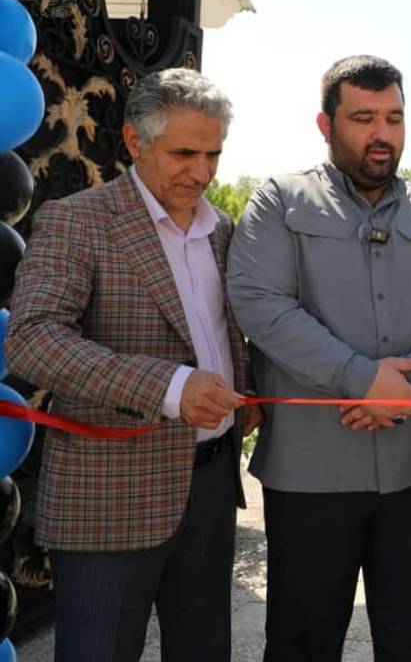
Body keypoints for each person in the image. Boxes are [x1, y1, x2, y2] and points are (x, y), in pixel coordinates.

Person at [226, 55, 411, 661]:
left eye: (394, 118)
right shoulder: (280, 201)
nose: (382, 134)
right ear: (326, 125)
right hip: (311, 474)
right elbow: (261, 305)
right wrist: (362, 378)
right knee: (303, 639)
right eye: (364, 118)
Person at [5, 68, 259, 662]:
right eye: (184, 153)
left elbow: (220, 330)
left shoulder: (223, 231)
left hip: (211, 486)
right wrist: (168, 386)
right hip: (110, 495)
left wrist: (244, 389)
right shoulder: (78, 220)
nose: (202, 172)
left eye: (214, 155)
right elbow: (34, 339)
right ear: (134, 142)